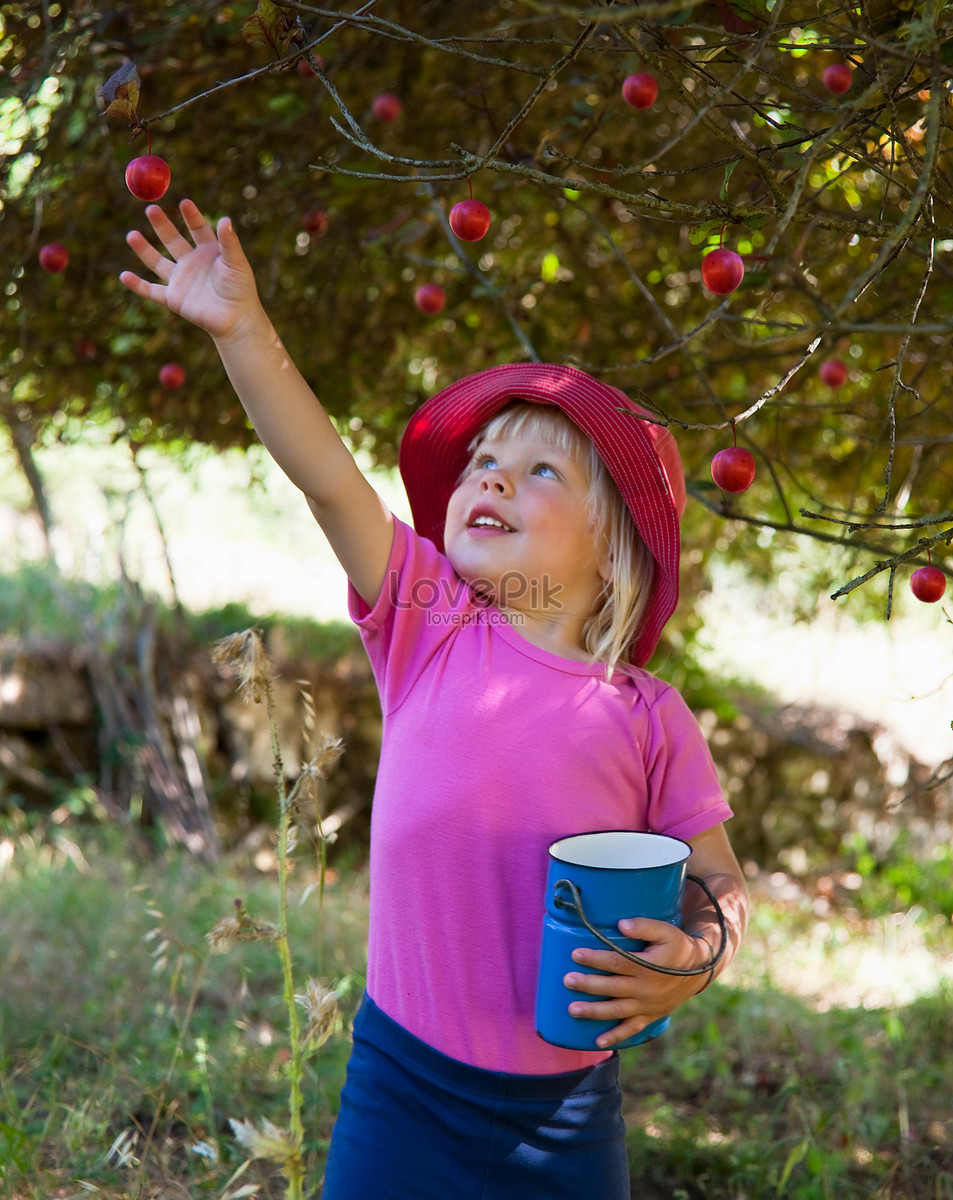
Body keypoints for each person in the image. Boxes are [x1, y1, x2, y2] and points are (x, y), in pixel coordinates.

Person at [120, 199, 749, 1200]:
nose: (489, 480)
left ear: (616, 543)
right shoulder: (427, 623)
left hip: (567, 1119)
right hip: (402, 1091)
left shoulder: (647, 716)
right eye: (482, 464)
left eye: (539, 468)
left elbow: (717, 887)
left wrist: (692, 957)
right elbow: (330, 483)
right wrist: (244, 332)